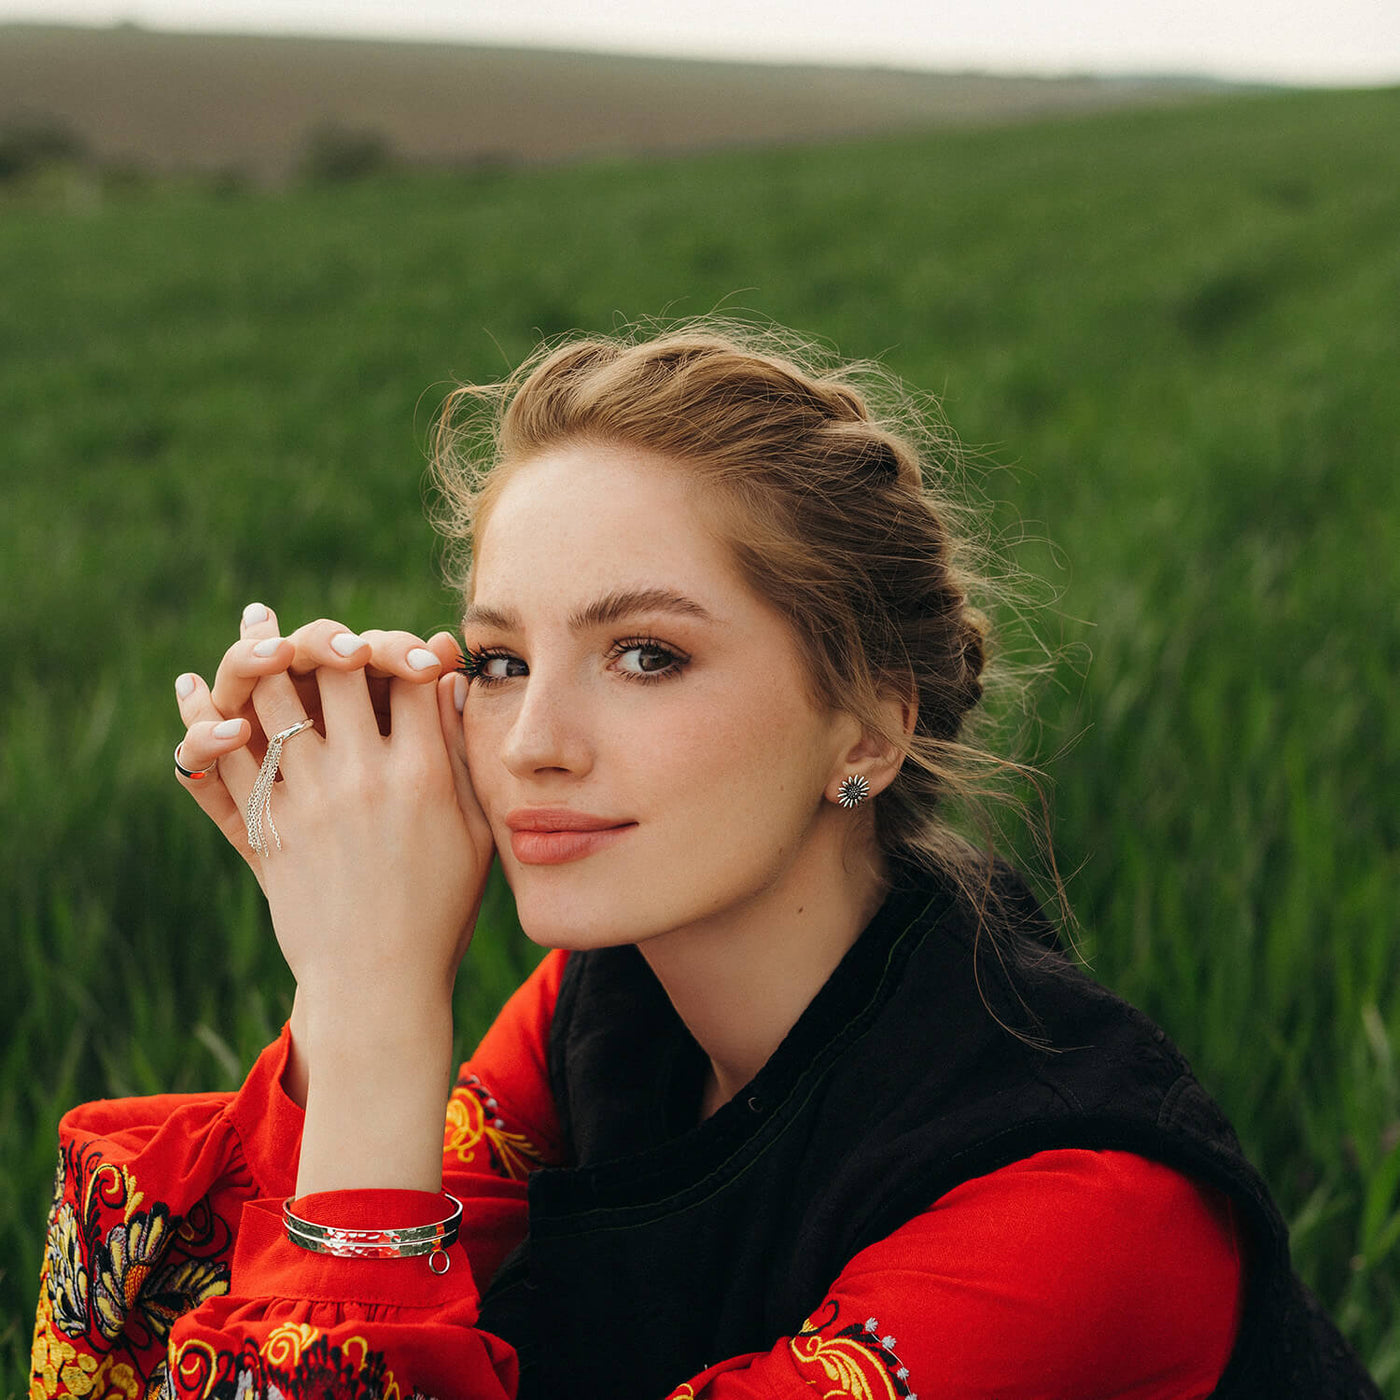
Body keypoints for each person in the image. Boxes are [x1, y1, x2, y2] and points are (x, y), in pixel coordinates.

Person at [31, 324, 1378, 1400]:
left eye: (647, 656)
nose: (532, 745)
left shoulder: (1073, 1217)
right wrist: (341, 985)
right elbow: (198, 1331)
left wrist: (380, 1007)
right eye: (499, 662)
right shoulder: (601, 1012)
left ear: (868, 727)